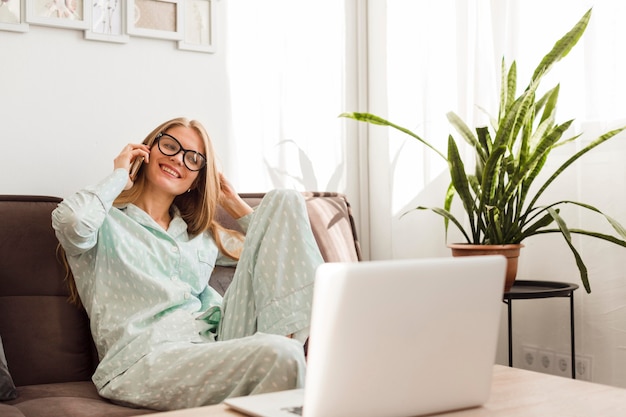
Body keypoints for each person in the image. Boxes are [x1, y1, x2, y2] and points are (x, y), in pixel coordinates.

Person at [52, 117, 324, 411]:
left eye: (193, 158)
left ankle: (289, 353)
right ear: (147, 150)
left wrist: (232, 202)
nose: (178, 159)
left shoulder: (201, 235)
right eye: (169, 146)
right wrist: (120, 175)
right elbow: (73, 222)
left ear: (198, 177)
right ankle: (292, 362)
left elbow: (278, 247)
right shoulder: (104, 222)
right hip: (144, 359)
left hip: (217, 344)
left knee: (285, 200)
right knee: (281, 353)